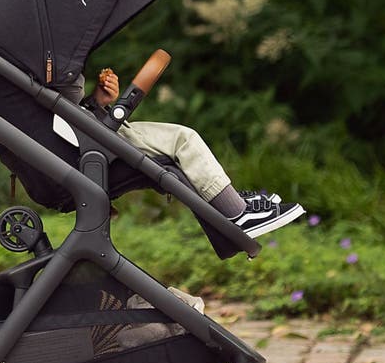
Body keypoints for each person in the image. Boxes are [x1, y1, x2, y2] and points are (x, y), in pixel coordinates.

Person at [86, 67, 304, 239]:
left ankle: (232, 201)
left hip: (82, 131)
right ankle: (238, 214)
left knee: (179, 141)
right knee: (182, 140)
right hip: (85, 138)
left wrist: (97, 100)